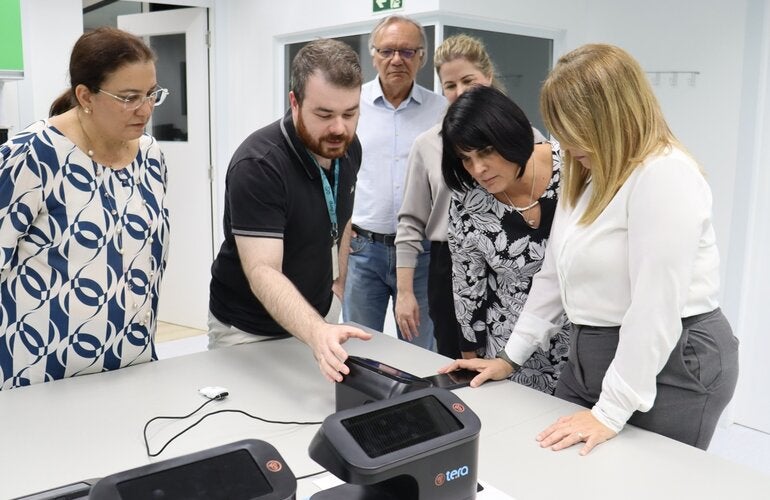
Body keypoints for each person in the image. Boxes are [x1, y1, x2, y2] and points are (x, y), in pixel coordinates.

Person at [441, 44, 739, 453]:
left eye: (572, 127)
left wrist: (610, 411)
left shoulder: (665, 174)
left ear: (611, 117)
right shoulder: (588, 175)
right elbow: (551, 275)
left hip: (675, 361)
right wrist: (510, 357)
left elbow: (656, 306)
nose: (562, 141)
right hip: (592, 350)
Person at [0, 27, 170, 389]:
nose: (146, 109)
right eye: (128, 97)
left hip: (132, 362)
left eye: (151, 94)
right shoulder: (31, 156)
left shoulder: (150, 156)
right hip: (39, 371)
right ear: (85, 95)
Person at [208, 39, 372, 382]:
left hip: (318, 316)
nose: (339, 128)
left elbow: (341, 222)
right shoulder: (259, 164)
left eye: (350, 113)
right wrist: (316, 330)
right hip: (249, 330)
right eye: (324, 115)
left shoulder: (348, 148)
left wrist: (337, 288)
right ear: (294, 102)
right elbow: (263, 270)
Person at [395, 34, 548, 359]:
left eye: (468, 80)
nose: (460, 92)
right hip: (447, 261)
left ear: (488, 77)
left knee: (521, 349)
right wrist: (405, 290)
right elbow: (410, 222)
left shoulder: (526, 138)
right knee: (460, 356)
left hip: (515, 256)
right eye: (450, 85)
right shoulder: (427, 144)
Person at [439, 85, 570, 394]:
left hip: (581, 344)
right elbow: (467, 284)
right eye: (466, 159)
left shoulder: (572, 170)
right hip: (510, 351)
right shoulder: (468, 200)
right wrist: (469, 354)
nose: (479, 169)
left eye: (485, 151)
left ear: (510, 134)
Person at [343, 15, 447, 351]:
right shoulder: (350, 106)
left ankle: (415, 405)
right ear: (373, 55)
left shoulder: (440, 109)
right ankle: (361, 406)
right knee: (360, 348)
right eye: (387, 51)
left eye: (407, 51)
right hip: (363, 251)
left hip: (422, 254)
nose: (396, 60)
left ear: (421, 57)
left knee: (420, 352)